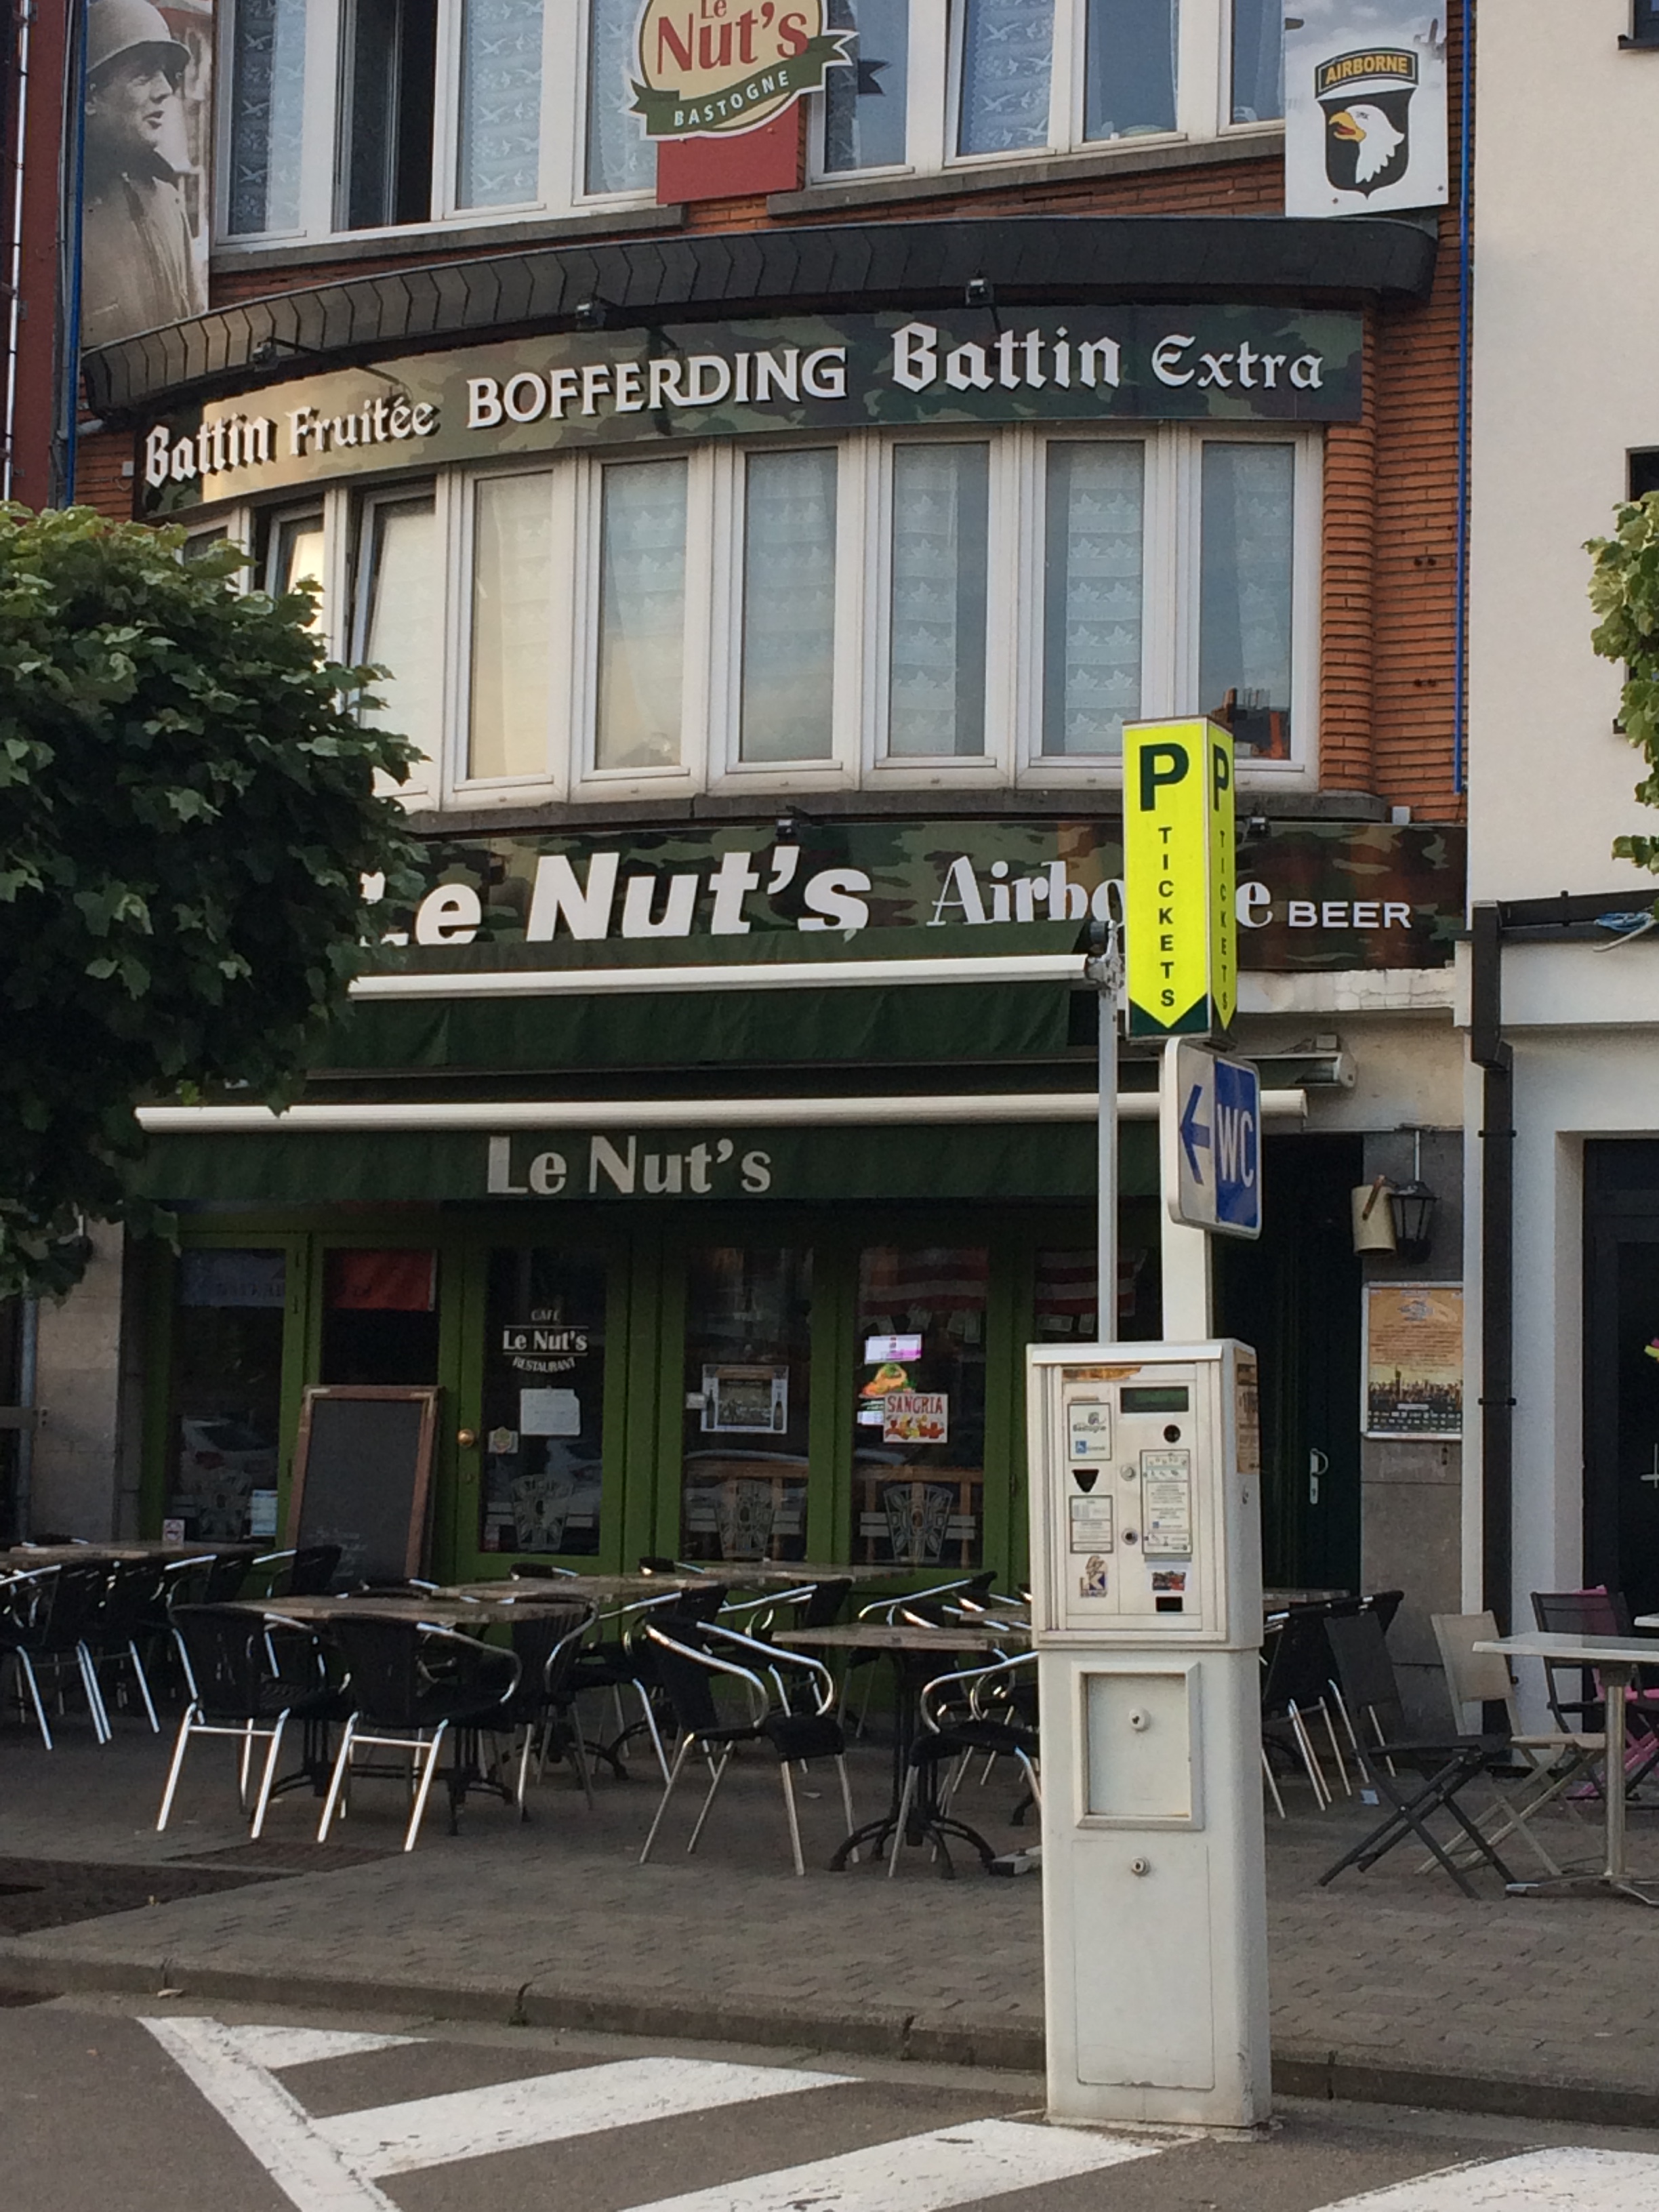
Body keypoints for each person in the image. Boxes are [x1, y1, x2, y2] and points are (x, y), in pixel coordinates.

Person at [79, 0, 205, 350]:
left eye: (164, 74)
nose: (164, 90)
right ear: (91, 98)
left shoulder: (168, 201)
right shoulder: (62, 207)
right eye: (143, 75)